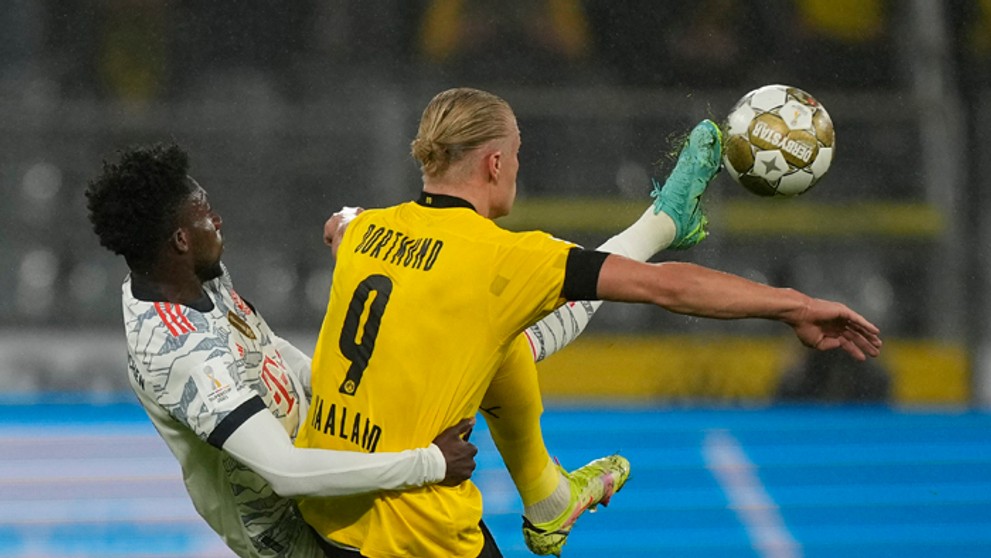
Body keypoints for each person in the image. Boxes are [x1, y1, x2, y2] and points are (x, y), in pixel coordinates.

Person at [296, 88, 883, 558]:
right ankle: (548, 496)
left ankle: (547, 494)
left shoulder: (365, 232)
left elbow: (337, 225)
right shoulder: (503, 257)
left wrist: (345, 217)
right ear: (495, 162)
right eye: (518, 155)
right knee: (511, 329)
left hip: (325, 501)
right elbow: (667, 288)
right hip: (410, 530)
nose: (518, 168)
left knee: (504, 340)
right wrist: (797, 306)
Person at [84, 143, 480, 558]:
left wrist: (356, 390)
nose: (217, 219)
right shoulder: (181, 354)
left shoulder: (186, 275)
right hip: (291, 532)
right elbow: (285, 471)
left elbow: (263, 346)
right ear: (181, 240)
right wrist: (430, 464)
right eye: (204, 213)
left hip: (328, 481)